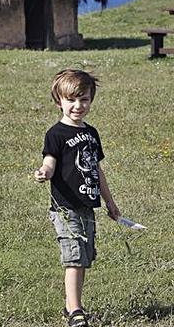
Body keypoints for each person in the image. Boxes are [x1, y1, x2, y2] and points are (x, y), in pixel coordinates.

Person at [34, 69, 120, 327]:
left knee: (83, 259)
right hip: (65, 208)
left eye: (84, 99)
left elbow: (97, 170)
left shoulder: (92, 133)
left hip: (87, 208)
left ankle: (72, 305)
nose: (78, 105)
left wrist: (111, 203)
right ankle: (75, 311)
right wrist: (44, 173)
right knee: (74, 258)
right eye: (71, 100)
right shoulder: (56, 134)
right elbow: (49, 160)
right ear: (58, 101)